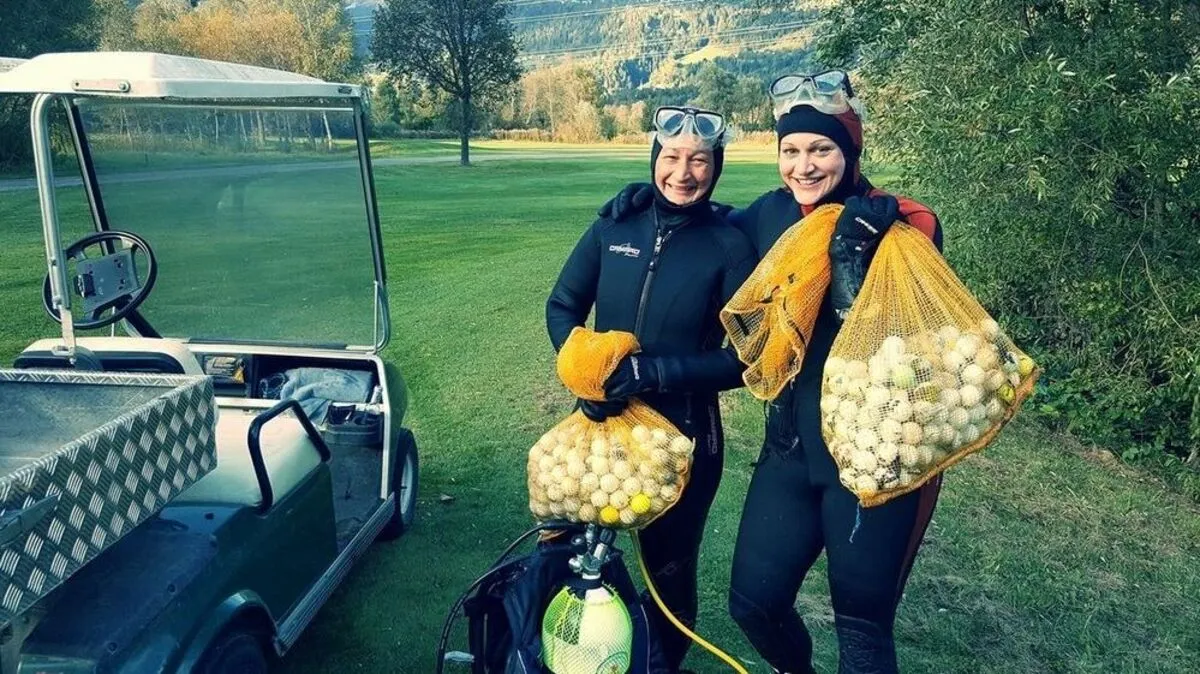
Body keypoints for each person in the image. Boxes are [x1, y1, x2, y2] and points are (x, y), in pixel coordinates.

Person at [599, 71, 944, 674]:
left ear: (851, 150)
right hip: (790, 451)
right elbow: (699, 227)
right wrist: (648, 204)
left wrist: (855, 268)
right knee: (754, 606)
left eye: (821, 149)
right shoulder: (770, 216)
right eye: (791, 150)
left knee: (863, 633)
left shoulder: (905, 223)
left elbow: (919, 351)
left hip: (876, 459)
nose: (804, 166)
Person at [545, 106, 756, 673]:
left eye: (699, 160)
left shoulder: (728, 246)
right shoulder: (615, 226)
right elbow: (563, 305)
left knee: (667, 571)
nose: (683, 173)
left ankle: (659, 664)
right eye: (672, 157)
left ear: (716, 167)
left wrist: (652, 374)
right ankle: (584, 656)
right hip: (602, 426)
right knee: (577, 554)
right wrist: (586, 375)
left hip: (682, 437)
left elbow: (746, 358)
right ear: (654, 158)